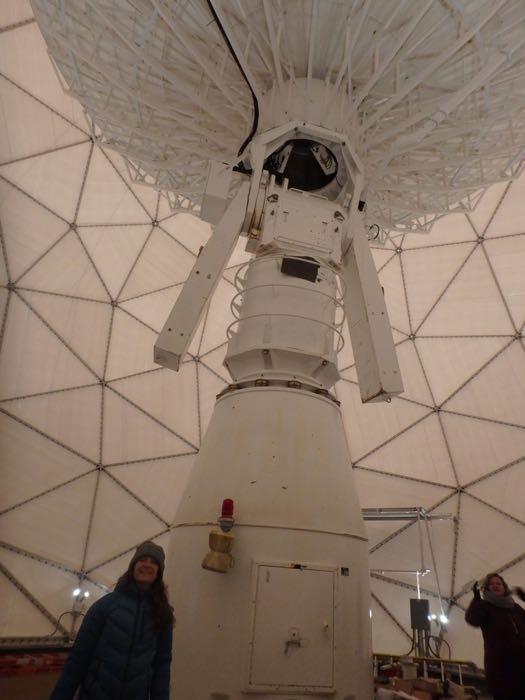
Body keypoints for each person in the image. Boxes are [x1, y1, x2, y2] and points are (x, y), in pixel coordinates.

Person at [49, 541, 174, 700]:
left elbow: (161, 666)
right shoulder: (105, 607)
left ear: (159, 572)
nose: (147, 565)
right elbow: (78, 659)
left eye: (154, 562)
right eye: (143, 560)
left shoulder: (162, 614)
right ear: (133, 566)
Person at [465, 572, 525, 700]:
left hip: (521, 666)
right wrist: (476, 600)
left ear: (504, 587)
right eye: (492, 584)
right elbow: (472, 620)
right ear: (487, 588)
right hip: (500, 670)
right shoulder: (485, 607)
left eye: (498, 583)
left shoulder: (515, 607)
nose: (495, 585)